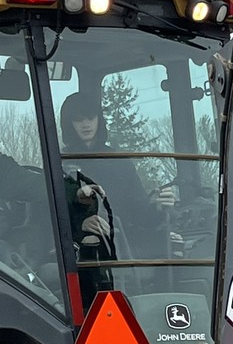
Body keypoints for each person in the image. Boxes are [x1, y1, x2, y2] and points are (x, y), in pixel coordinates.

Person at [58, 90, 174, 255]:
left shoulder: (120, 162)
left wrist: (158, 205)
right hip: (80, 250)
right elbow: (54, 215)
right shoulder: (60, 165)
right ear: (68, 124)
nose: (86, 124)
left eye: (91, 118)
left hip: (124, 246)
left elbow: (140, 212)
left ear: (99, 119)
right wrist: (80, 224)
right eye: (78, 119)